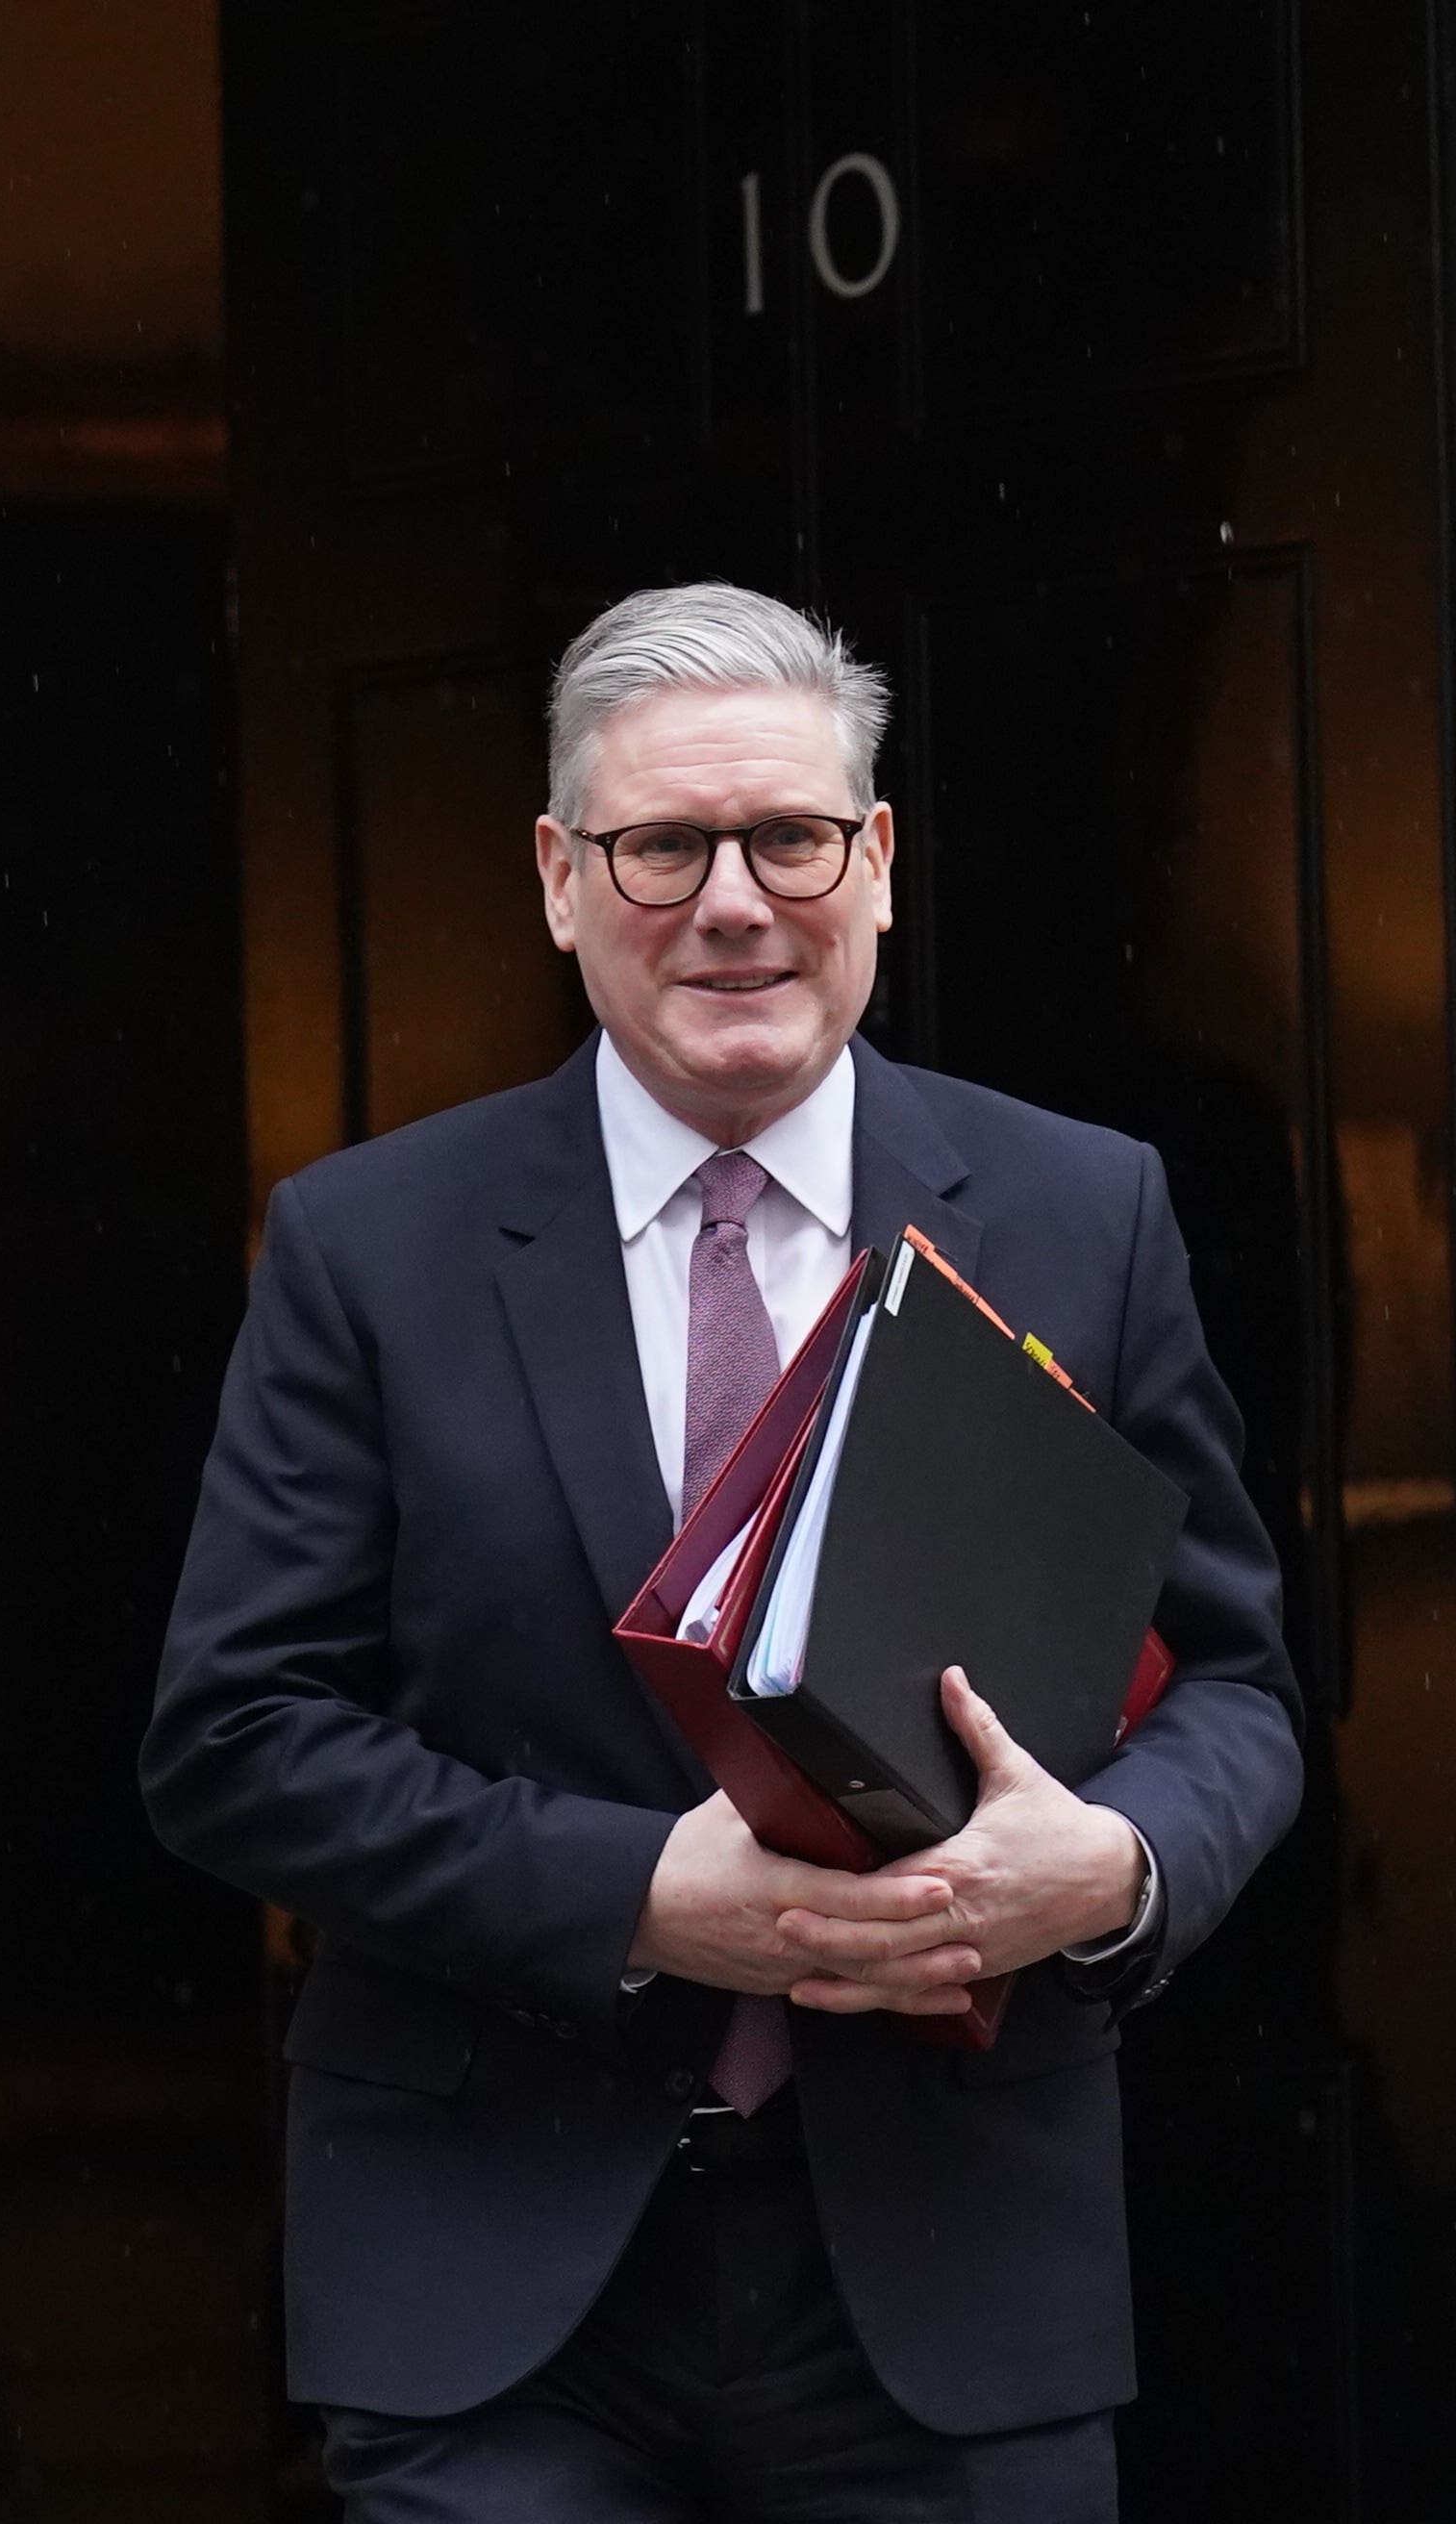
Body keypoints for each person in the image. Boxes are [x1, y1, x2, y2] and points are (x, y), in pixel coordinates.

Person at [143, 583, 1302, 2521]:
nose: (736, 902)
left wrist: (1113, 1863)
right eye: (664, 844)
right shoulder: (371, 1248)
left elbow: (1242, 1684)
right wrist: (634, 1893)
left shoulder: (1082, 1212)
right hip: (496, 2293)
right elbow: (236, 1737)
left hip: (950, 2290)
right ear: (556, 876)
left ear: (882, 863)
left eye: (791, 837)